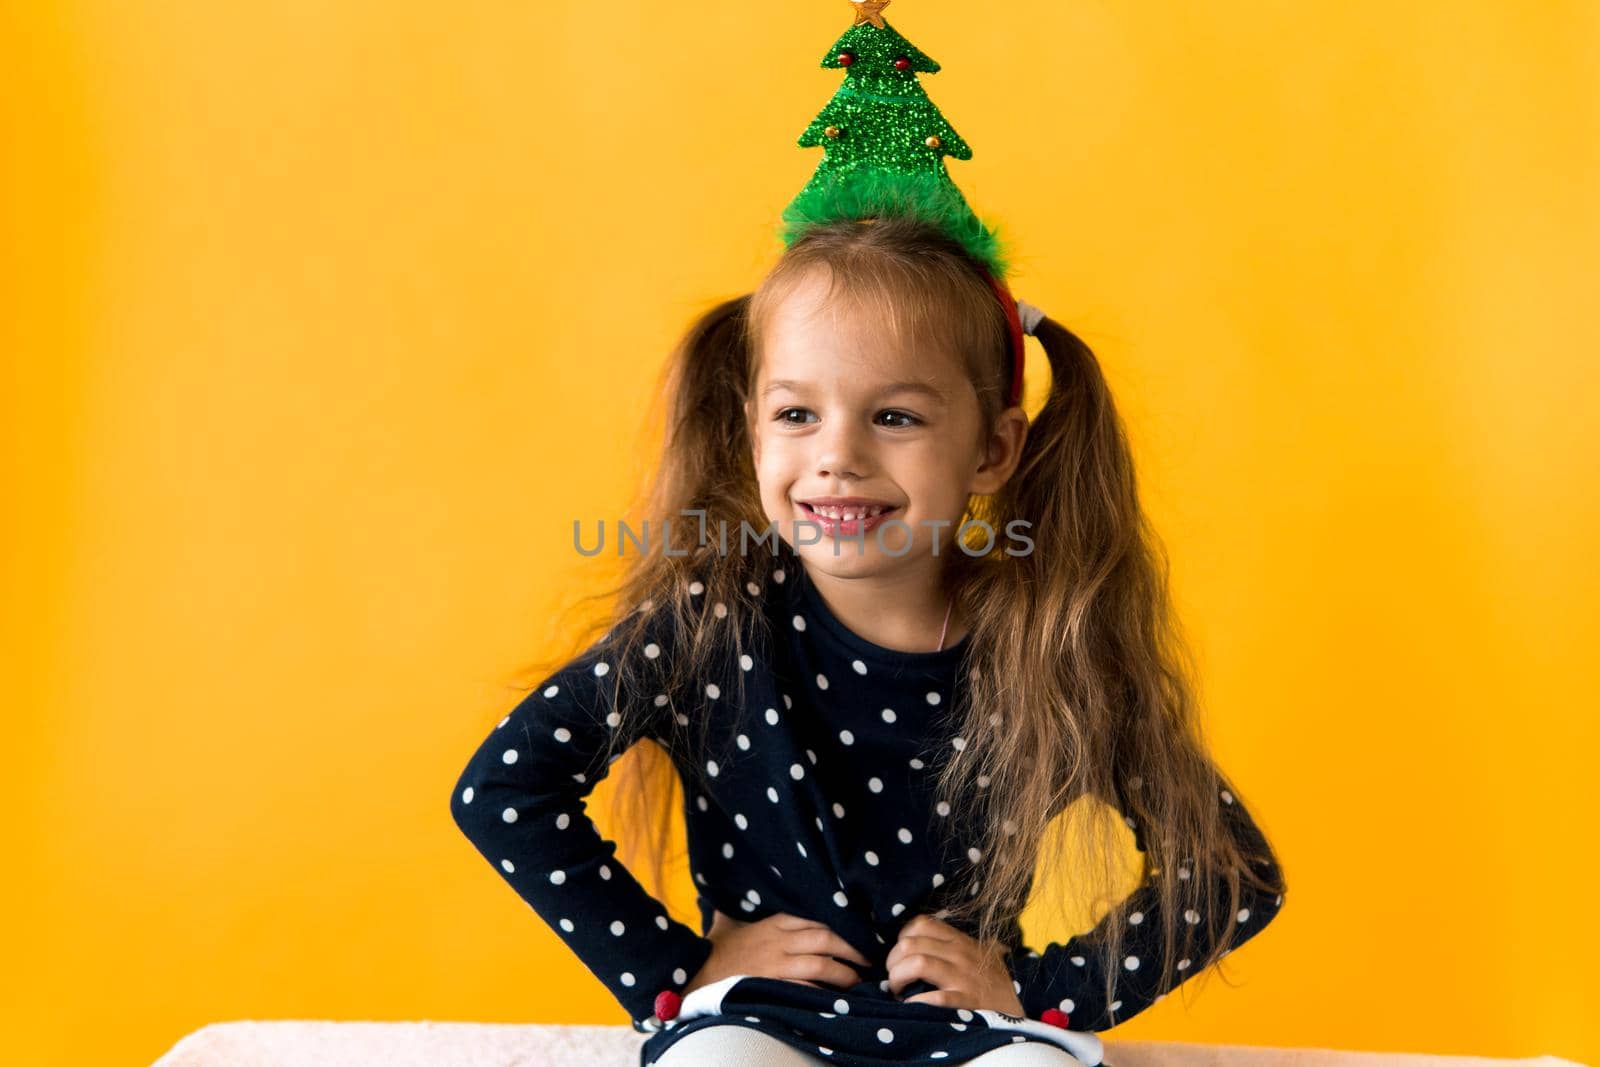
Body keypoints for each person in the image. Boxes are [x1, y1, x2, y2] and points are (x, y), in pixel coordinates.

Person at [450, 7, 1286, 1066]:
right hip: (758, 1016)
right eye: (797, 414)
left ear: (990, 450)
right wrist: (676, 969)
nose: (836, 455)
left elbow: (1228, 873)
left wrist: (1040, 987)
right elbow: (502, 787)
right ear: (752, 427)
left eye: (893, 416)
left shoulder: (1043, 641)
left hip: (964, 1029)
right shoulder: (714, 627)